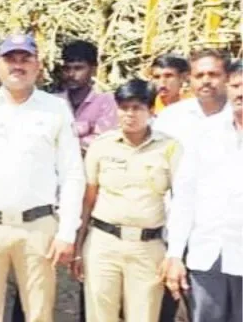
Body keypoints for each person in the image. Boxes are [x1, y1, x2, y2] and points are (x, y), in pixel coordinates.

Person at [0, 34, 85, 322]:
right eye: (11, 60)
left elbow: (72, 174)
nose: (17, 66)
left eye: (25, 59)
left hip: (38, 227)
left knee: (39, 314)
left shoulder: (54, 110)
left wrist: (67, 232)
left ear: (38, 66)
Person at [72, 79, 181, 322]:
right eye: (124, 107)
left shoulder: (170, 148)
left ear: (151, 111)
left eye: (137, 108)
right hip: (103, 244)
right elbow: (88, 201)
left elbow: (182, 202)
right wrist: (79, 248)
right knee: (100, 315)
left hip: (147, 247)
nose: (129, 114)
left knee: (144, 316)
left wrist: (175, 253)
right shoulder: (101, 146)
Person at [163, 58, 243, 322]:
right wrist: (175, 254)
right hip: (208, 252)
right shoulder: (207, 134)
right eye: (235, 86)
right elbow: (184, 197)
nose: (240, 93)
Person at [56, 40, 118, 154]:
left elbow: (102, 142)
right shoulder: (53, 102)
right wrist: (86, 128)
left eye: (78, 68)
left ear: (93, 70)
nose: (71, 74)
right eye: (67, 68)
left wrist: (63, 142)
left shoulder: (106, 102)